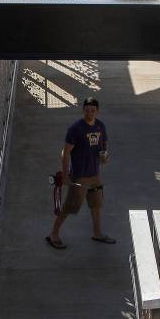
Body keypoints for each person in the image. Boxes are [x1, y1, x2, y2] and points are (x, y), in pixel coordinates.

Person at [46, 97, 115, 249]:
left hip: (95, 175)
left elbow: (104, 145)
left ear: (97, 111)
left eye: (93, 110)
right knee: (69, 207)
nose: (90, 113)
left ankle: (97, 233)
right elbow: (65, 153)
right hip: (80, 177)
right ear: (83, 110)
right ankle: (53, 234)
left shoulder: (100, 126)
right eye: (87, 110)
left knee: (96, 205)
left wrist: (105, 156)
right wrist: (65, 175)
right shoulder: (76, 129)